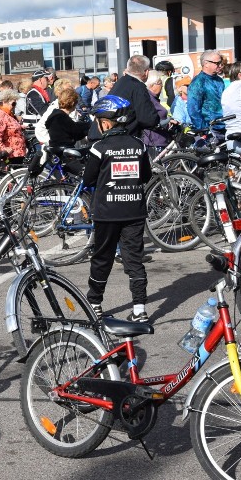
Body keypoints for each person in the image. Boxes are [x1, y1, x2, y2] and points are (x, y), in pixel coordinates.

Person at [82, 95, 152, 323]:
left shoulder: (99, 148)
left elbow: (89, 179)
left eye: (100, 121)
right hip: (134, 211)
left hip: (107, 212)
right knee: (134, 259)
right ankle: (140, 309)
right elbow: (145, 176)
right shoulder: (139, 146)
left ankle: (95, 305)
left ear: (107, 122)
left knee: (102, 258)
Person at [92, 54, 160, 141]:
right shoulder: (138, 87)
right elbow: (146, 118)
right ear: (146, 72)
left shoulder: (120, 82)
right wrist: (159, 122)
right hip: (121, 141)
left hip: (102, 134)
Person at [44, 88, 90, 173]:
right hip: (65, 155)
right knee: (88, 173)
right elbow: (76, 132)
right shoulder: (61, 118)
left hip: (57, 153)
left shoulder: (56, 115)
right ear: (73, 103)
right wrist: (90, 126)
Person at [187, 50, 227, 135]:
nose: (220, 66)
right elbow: (193, 109)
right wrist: (204, 129)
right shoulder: (198, 82)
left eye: (221, 63)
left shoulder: (219, 80)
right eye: (217, 63)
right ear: (206, 64)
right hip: (210, 129)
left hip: (224, 125)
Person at [143, 70, 175, 156]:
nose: (162, 86)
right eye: (160, 83)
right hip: (154, 141)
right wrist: (168, 120)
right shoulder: (149, 99)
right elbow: (151, 119)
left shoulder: (153, 98)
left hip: (160, 139)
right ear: (152, 85)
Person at [0, 89, 27, 162]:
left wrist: (20, 127)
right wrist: (3, 149)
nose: (14, 106)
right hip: (10, 155)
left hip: (18, 153)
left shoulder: (8, 113)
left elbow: (10, 127)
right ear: (4, 102)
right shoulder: (0, 114)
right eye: (13, 104)